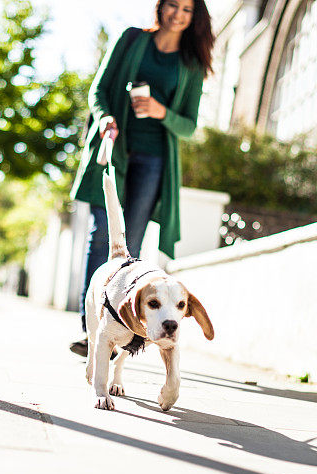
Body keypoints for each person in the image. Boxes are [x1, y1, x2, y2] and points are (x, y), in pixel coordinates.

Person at [69, 0, 215, 356]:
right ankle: (92, 330)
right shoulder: (131, 40)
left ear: (194, 17)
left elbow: (189, 125)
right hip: (115, 152)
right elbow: (98, 90)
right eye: (172, 5)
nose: (177, 13)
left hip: (153, 161)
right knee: (101, 235)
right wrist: (105, 117)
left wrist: (159, 110)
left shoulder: (191, 65)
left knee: (128, 245)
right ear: (160, 6)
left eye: (186, 9)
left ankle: (122, 330)